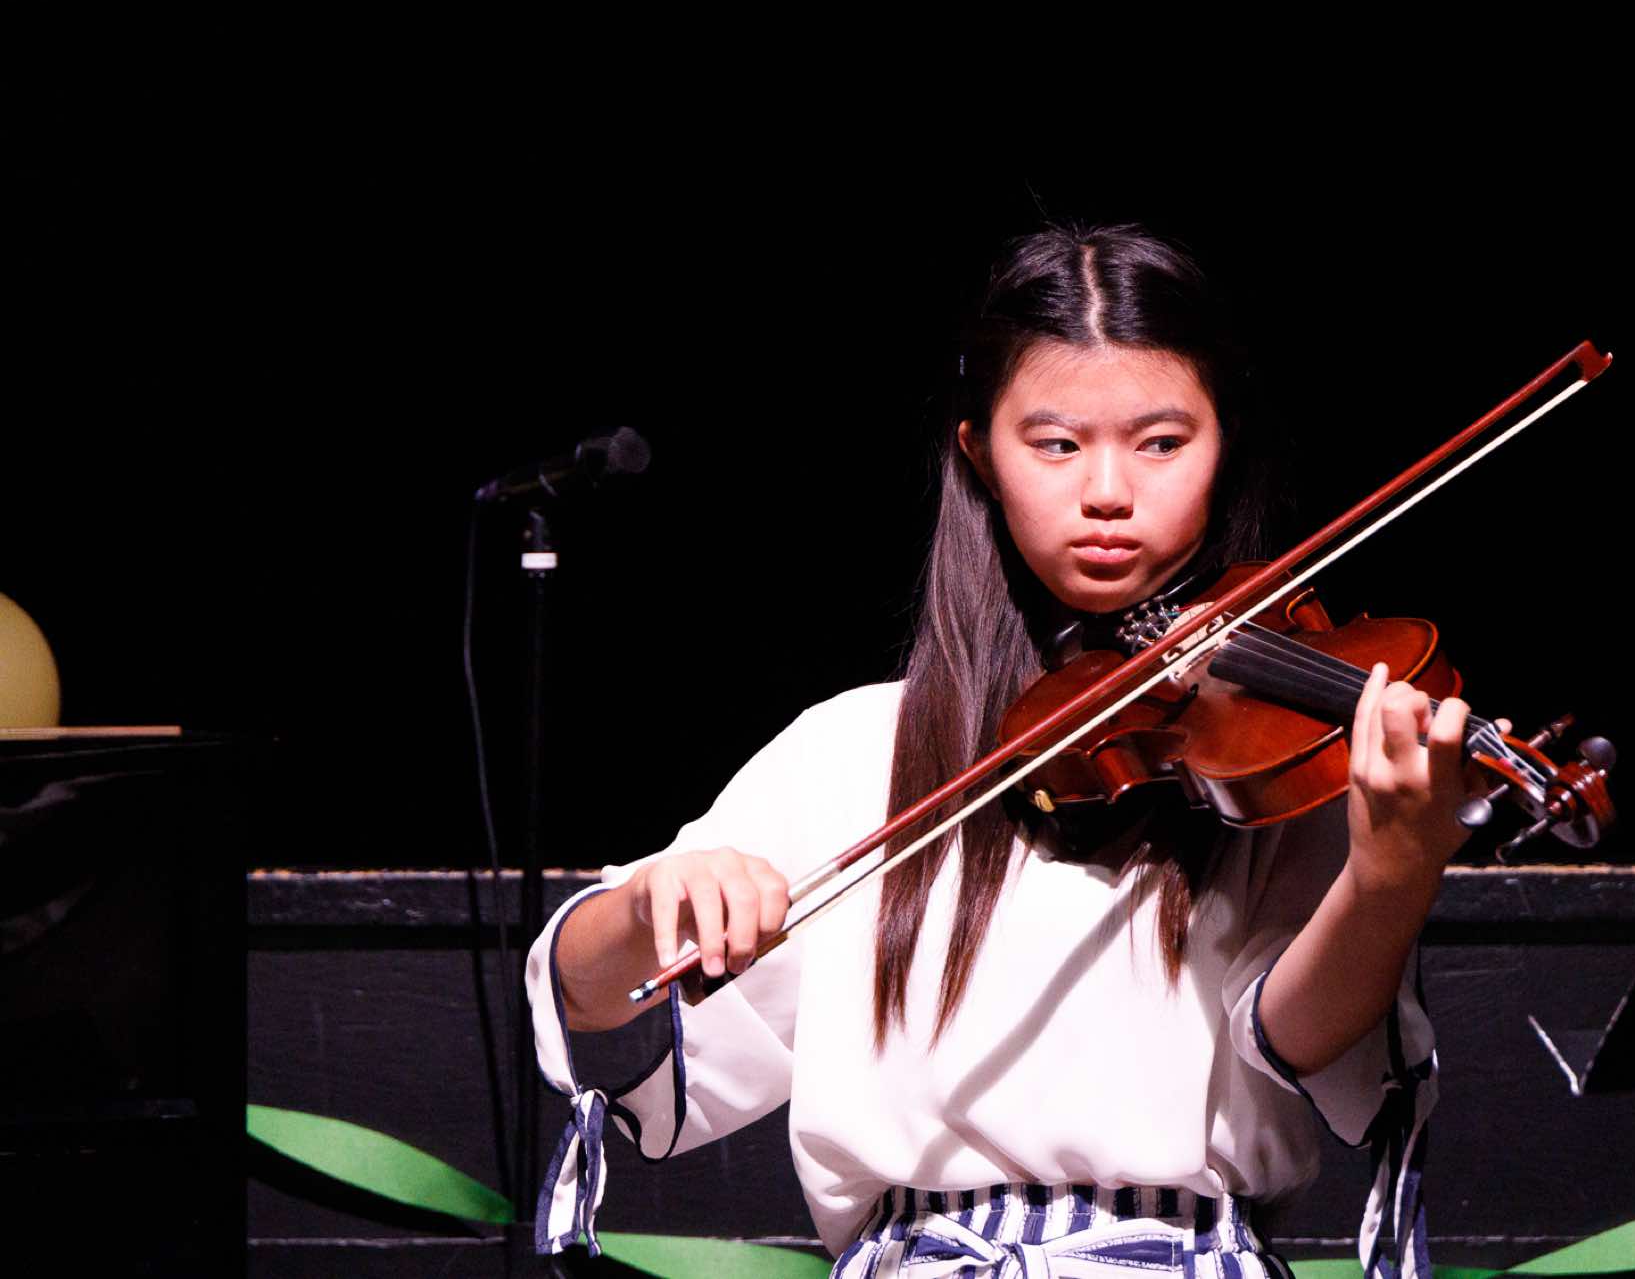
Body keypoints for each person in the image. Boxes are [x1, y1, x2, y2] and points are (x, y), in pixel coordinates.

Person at [527, 222, 1481, 1278]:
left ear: (1225, 449)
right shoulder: (855, 747)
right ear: (982, 455)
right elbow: (588, 1002)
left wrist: (1391, 873)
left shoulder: (1262, 755)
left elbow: (1297, 1037)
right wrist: (647, 903)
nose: (1108, 491)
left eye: (1162, 443)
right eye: (1056, 444)